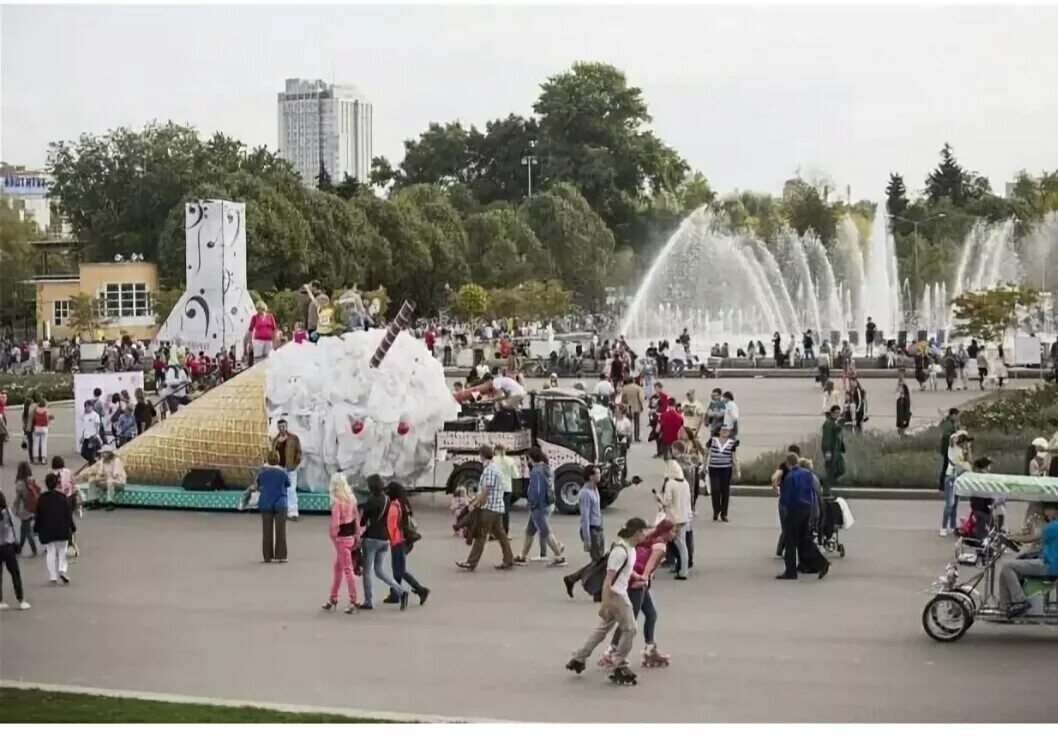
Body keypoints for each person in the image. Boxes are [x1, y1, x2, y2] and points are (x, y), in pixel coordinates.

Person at [565, 517, 650, 683]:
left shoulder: (630, 549)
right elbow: (607, 580)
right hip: (616, 595)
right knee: (630, 629)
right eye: (643, 533)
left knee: (602, 629)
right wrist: (605, 604)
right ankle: (618, 665)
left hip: (617, 593)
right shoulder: (619, 552)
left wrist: (637, 576)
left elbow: (626, 569)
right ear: (636, 533)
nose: (644, 536)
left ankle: (579, 658)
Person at [599, 520, 675, 670]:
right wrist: (644, 579)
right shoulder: (660, 546)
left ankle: (649, 648)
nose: (675, 534)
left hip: (635, 580)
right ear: (666, 532)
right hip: (637, 583)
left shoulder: (652, 539)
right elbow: (649, 566)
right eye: (673, 531)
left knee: (650, 614)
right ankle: (611, 651)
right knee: (628, 620)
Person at [458, 446, 515, 571]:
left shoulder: (489, 470)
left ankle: (471, 562)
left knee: (481, 535)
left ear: (482, 455)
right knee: (501, 534)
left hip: (489, 507)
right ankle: (509, 558)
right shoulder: (496, 467)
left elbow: (485, 490)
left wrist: (475, 503)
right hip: (497, 506)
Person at [998, 504, 1058, 617]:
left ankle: (1019, 601)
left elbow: (1034, 536)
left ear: (1055, 510)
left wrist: (1012, 537)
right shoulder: (1053, 525)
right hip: (1048, 563)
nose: (1046, 513)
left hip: (1049, 566)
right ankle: (1005, 607)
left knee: (1008, 566)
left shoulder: (1054, 526)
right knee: (1005, 572)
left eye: (1048, 510)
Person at [776, 454, 830, 580]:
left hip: (794, 509)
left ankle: (790, 571)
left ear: (788, 464)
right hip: (807, 509)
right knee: (805, 540)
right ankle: (822, 563)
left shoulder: (790, 477)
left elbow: (786, 497)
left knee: (790, 541)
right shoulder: (807, 474)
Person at [359, 475, 405, 608]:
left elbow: (363, 521)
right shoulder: (387, 500)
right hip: (385, 539)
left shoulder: (371, 501)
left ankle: (368, 601)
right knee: (379, 571)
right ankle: (400, 590)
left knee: (367, 571)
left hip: (372, 539)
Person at [515, 447, 565, 566]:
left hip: (538, 506)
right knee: (529, 532)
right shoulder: (546, 468)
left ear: (531, 458)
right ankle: (522, 556)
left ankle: (559, 556)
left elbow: (537, 490)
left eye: (528, 458)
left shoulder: (536, 471)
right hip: (546, 503)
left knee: (546, 532)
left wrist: (532, 503)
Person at [322, 473, 361, 614]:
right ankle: (333, 597)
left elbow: (335, 524)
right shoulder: (351, 500)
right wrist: (357, 535)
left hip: (340, 539)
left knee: (346, 569)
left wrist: (332, 535)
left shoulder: (337, 503)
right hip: (350, 536)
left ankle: (353, 599)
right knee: (338, 568)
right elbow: (357, 519)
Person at [384, 482, 428, 609]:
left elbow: (392, 526)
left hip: (399, 541)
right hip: (406, 540)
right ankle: (395, 593)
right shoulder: (404, 503)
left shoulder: (395, 505)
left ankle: (420, 590)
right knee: (397, 568)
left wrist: (391, 539)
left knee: (399, 570)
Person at [563, 465, 604, 598]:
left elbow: (597, 511)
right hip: (591, 530)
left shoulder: (595, 489)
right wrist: (587, 539)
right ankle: (596, 590)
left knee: (598, 562)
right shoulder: (585, 493)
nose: (600, 475)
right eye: (597, 473)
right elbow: (585, 517)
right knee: (598, 563)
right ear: (591, 476)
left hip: (598, 528)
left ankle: (572, 578)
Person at [34, 472, 75, 585]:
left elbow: (38, 515)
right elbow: (68, 514)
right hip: (62, 529)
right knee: (62, 550)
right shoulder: (63, 497)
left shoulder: (42, 498)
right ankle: (62, 570)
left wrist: (36, 529)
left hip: (47, 530)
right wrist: (72, 527)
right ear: (57, 483)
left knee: (50, 552)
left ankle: (52, 576)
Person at [656, 459, 692, 580]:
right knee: (682, 545)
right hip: (684, 517)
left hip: (673, 518)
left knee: (677, 544)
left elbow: (667, 501)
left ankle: (681, 570)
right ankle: (683, 569)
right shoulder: (685, 484)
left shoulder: (670, 483)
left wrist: (658, 498)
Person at [254, 451, 289, 563]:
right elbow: (288, 484)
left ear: (268, 460)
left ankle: (267, 556)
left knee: (267, 530)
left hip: (266, 502)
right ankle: (281, 555)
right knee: (280, 530)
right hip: (280, 503)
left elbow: (258, 485)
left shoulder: (262, 473)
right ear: (278, 460)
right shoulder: (283, 473)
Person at [0, 490, 30, 610]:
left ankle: (0, 600)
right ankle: (21, 599)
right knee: (14, 573)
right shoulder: (7, 513)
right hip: (8, 545)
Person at [941, 430, 972, 536]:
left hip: (958, 478)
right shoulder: (953, 447)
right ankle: (943, 527)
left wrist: (968, 449)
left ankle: (952, 526)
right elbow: (952, 437)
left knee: (955, 504)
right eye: (965, 442)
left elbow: (969, 461)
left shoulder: (963, 451)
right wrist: (962, 433)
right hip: (950, 477)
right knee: (950, 503)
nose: (966, 444)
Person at [271, 419, 303, 521]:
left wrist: (295, 464)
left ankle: (293, 512)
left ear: (286, 426)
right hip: (280, 468)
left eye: (284, 426)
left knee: (291, 490)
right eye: (280, 427)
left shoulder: (293, 438)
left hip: (290, 468)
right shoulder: (275, 440)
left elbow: (299, 452)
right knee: (280, 490)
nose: (282, 428)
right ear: (278, 427)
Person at [707, 425, 739, 522]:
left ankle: (724, 514)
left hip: (726, 469)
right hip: (714, 469)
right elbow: (706, 454)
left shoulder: (731, 443)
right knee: (715, 490)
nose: (725, 432)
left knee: (725, 491)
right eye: (723, 430)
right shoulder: (712, 441)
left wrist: (737, 469)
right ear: (719, 432)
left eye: (727, 430)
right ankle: (716, 510)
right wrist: (704, 466)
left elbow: (734, 458)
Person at [84, 446, 126, 512]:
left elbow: (115, 476)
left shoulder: (117, 461)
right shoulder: (102, 461)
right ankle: (94, 501)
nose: (103, 455)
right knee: (92, 480)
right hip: (107, 480)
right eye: (102, 453)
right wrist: (96, 478)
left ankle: (110, 502)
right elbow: (100, 473)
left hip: (118, 482)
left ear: (109, 453)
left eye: (104, 453)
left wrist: (103, 478)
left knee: (110, 482)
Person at [13, 461, 38, 556]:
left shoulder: (19, 483)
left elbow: (19, 498)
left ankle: (29, 548)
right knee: (24, 528)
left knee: (26, 530)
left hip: (24, 509)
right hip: (32, 507)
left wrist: (14, 507)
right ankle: (20, 547)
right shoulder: (32, 480)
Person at [493, 444, 519, 535]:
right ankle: (505, 531)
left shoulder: (493, 460)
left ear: (496, 451)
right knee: (505, 510)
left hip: (496, 488)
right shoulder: (510, 460)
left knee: (495, 510)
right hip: (507, 488)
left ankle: (494, 532)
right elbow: (515, 475)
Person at [821, 405, 845, 496]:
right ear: (831, 413)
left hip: (837, 451)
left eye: (839, 413)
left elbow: (837, 432)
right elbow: (827, 439)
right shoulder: (828, 424)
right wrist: (827, 452)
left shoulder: (834, 423)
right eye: (835, 413)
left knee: (841, 468)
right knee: (830, 470)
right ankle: (826, 491)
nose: (837, 414)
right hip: (830, 451)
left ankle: (830, 481)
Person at [938, 408, 959, 491]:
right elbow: (946, 437)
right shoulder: (948, 424)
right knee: (946, 467)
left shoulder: (950, 423)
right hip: (948, 449)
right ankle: (942, 485)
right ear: (953, 414)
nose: (956, 418)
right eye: (956, 416)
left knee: (947, 467)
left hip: (948, 449)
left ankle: (943, 485)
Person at [620, 378, 645, 443]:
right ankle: (636, 437)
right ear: (633, 381)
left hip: (628, 407)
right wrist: (642, 406)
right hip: (636, 406)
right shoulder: (638, 388)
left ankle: (629, 437)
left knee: (629, 423)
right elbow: (641, 398)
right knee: (637, 423)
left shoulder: (624, 388)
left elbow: (622, 398)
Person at [29, 398, 53, 465]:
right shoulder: (46, 410)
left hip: (37, 428)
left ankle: (36, 459)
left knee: (35, 444)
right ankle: (43, 459)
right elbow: (48, 419)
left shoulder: (36, 410)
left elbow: (33, 420)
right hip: (44, 428)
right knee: (43, 444)